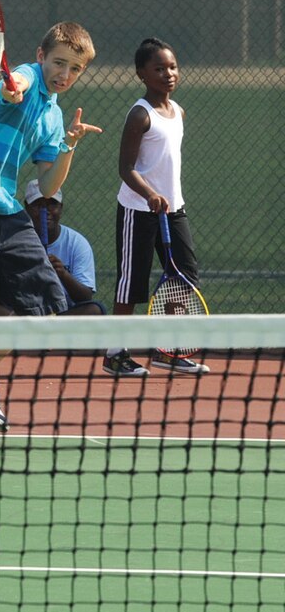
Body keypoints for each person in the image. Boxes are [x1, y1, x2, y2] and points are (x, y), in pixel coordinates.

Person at [0, 22, 100, 450]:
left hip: (7, 211)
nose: (64, 73)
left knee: (42, 298)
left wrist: (68, 146)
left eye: (75, 68)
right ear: (41, 55)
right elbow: (17, 85)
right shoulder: (22, 77)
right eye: (59, 62)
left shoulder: (54, 114)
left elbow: (46, 187)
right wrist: (14, 89)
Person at [102, 38, 210, 377]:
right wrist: (149, 194)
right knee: (131, 284)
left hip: (174, 210)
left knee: (184, 279)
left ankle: (170, 350)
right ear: (142, 74)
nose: (168, 73)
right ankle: (115, 354)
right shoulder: (139, 115)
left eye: (173, 67)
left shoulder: (178, 111)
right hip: (138, 210)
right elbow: (125, 168)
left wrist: (165, 199)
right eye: (159, 68)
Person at [23, 179, 106, 316]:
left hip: (64, 311)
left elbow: (85, 297)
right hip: (28, 311)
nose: (46, 211)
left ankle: (47, 327)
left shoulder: (77, 243)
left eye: (52, 204)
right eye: (38, 205)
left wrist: (62, 274)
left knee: (95, 309)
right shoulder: (16, 241)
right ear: (27, 208)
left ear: (61, 208)